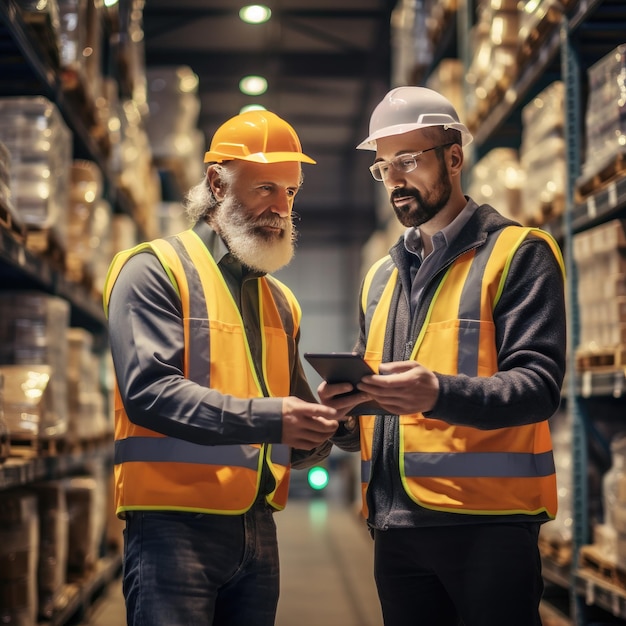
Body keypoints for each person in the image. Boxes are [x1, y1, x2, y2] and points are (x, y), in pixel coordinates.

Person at [325, 86, 567, 626]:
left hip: (488, 529)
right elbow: (385, 407)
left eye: (408, 160)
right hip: (395, 527)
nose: (394, 179)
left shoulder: (519, 253)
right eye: (384, 166)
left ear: (454, 158)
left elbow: (538, 386)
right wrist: (344, 414)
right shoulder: (381, 277)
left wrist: (437, 392)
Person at [103, 109, 340, 626]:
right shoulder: (153, 271)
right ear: (216, 183)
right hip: (171, 528)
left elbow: (293, 429)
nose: (282, 208)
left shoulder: (282, 302)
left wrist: (335, 421)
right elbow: (150, 391)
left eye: (291, 193)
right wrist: (274, 419)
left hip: (258, 527)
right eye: (265, 189)